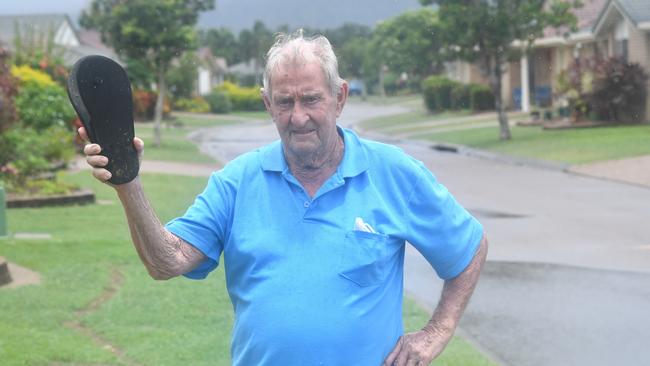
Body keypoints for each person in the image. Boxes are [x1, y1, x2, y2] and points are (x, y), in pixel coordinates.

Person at [81, 31, 488, 366]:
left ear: (340, 97)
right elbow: (166, 261)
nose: (297, 117)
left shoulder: (394, 173)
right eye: (284, 102)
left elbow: (468, 247)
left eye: (311, 99)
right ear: (267, 104)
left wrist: (438, 330)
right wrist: (127, 183)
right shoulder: (237, 182)